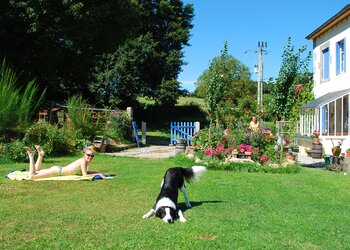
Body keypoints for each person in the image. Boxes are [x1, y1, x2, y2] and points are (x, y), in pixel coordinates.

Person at [24, 145, 105, 179]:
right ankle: (31, 156)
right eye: (88, 155)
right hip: (57, 171)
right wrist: (97, 174)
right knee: (32, 176)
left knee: (36, 171)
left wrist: (97, 172)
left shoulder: (84, 161)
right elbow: (85, 175)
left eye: (92, 156)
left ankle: (40, 155)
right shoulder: (83, 161)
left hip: (58, 170)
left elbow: (85, 172)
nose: (90, 157)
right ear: (84, 154)